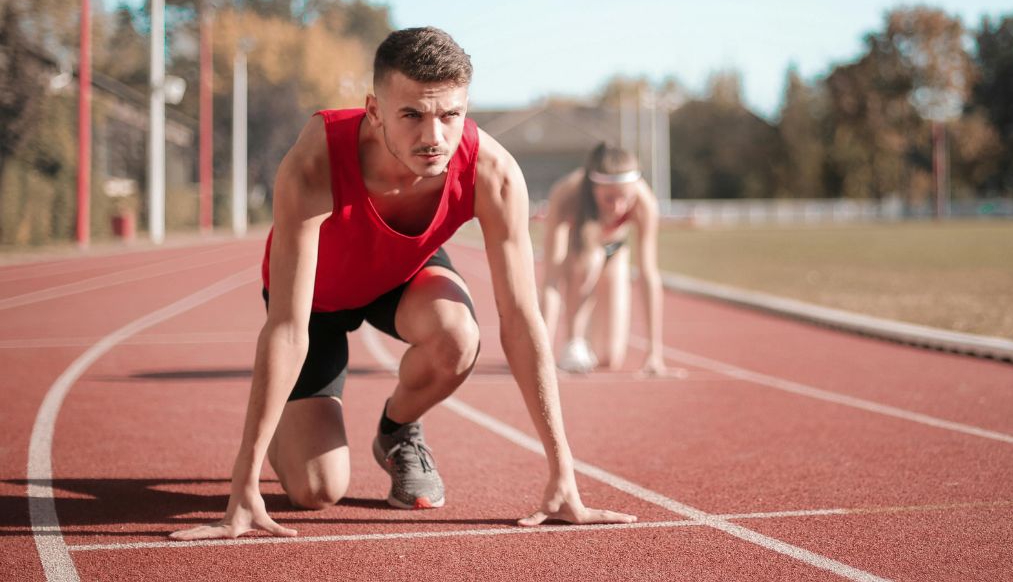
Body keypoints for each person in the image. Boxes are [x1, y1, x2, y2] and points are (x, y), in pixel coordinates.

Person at [172, 27, 634, 541]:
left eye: (449, 115)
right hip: (316, 300)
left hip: (401, 276)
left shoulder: (493, 173)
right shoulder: (316, 160)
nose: (433, 136)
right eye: (411, 114)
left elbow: (522, 321)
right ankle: (285, 420)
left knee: (460, 335)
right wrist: (244, 485)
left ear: (465, 108)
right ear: (374, 110)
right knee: (317, 491)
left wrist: (562, 475)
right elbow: (286, 326)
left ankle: (397, 431)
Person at [539, 144, 681, 377]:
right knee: (590, 261)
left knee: (609, 358)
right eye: (609, 199)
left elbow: (649, 275)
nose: (618, 207)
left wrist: (654, 353)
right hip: (578, 255)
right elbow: (551, 280)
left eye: (625, 198)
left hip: (616, 252)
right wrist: (540, 354)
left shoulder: (645, 202)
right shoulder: (567, 195)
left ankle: (591, 339)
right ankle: (574, 341)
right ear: (593, 189)